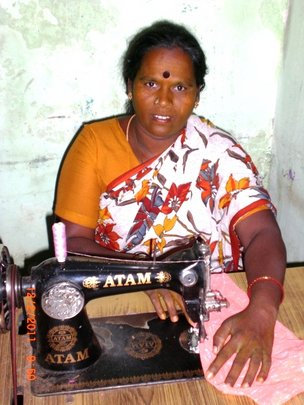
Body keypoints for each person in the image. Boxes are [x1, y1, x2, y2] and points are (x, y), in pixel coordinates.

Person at [54, 20, 286, 388]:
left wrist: (261, 312)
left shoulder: (215, 153)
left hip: (210, 302)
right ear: (129, 86)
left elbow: (261, 232)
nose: (164, 100)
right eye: (151, 84)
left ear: (197, 94)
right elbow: (73, 243)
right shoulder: (93, 145)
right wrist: (146, 275)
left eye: (180, 86)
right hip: (119, 301)